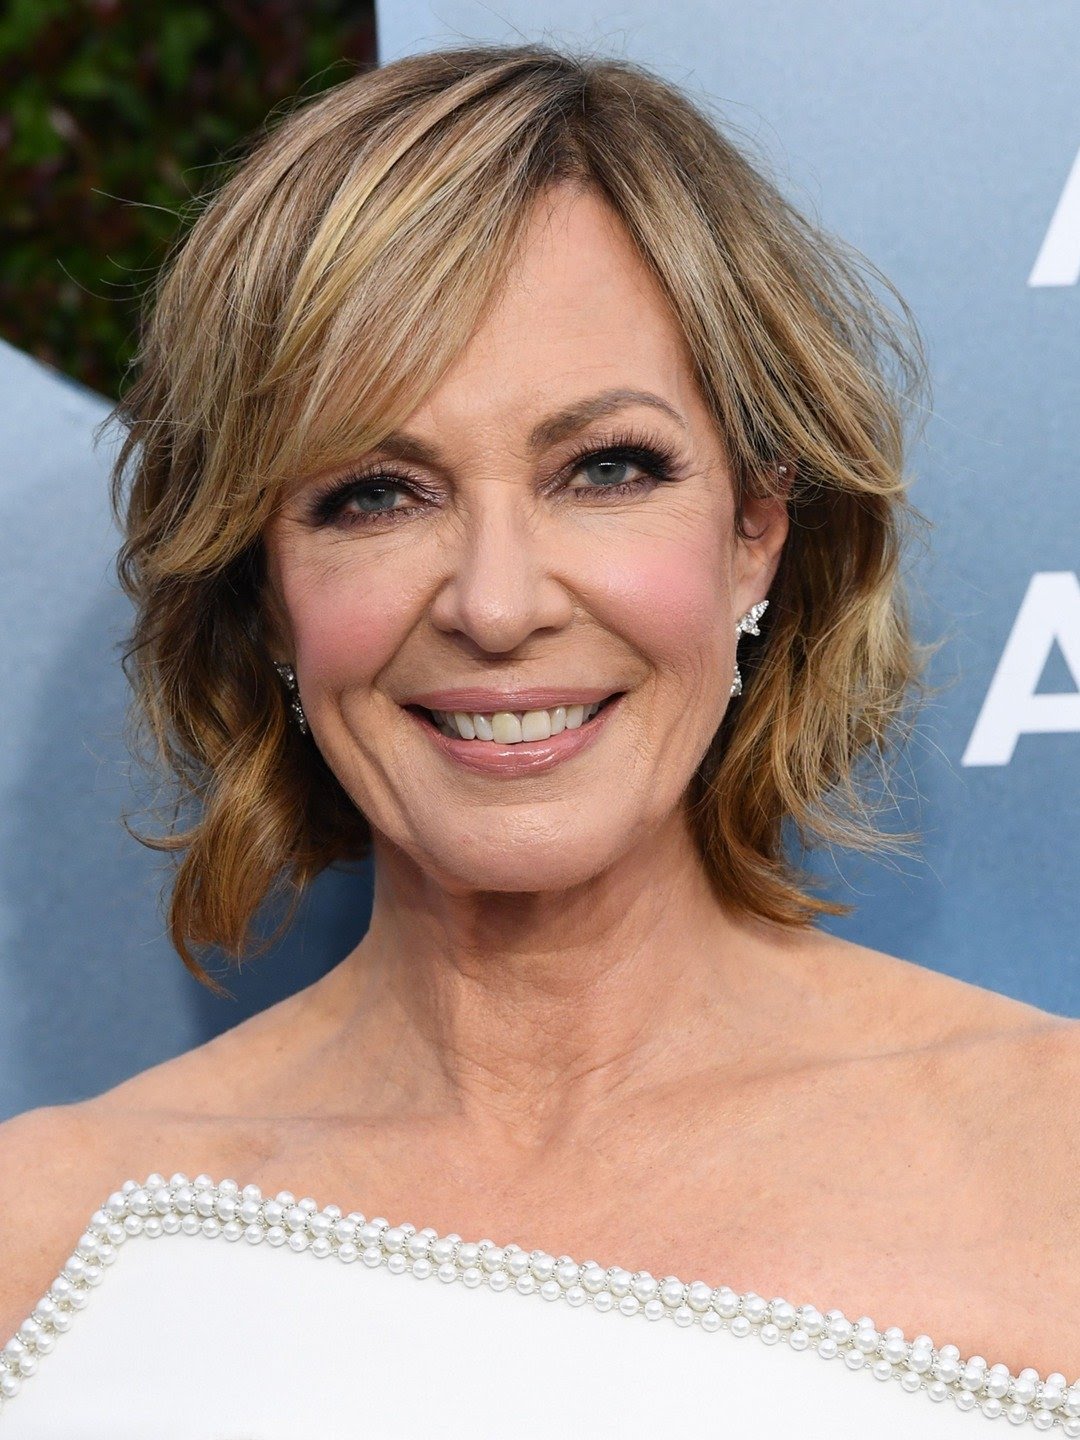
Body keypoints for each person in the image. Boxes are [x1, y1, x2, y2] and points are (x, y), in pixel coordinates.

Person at [0, 40, 1077, 1438]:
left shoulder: (1053, 1157)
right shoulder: (51, 1240)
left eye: (606, 469)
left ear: (754, 534)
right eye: (376, 494)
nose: (497, 605)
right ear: (264, 586)